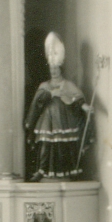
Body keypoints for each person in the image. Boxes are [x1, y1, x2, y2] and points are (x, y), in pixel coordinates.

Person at [25, 32, 91, 179]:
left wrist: (84, 107)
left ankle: (67, 172)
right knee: (45, 144)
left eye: (56, 69)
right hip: (47, 121)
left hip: (63, 119)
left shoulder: (68, 84)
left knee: (64, 144)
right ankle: (42, 171)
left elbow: (77, 98)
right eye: (51, 69)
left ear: (61, 69)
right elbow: (37, 102)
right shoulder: (44, 85)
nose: (53, 71)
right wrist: (50, 94)